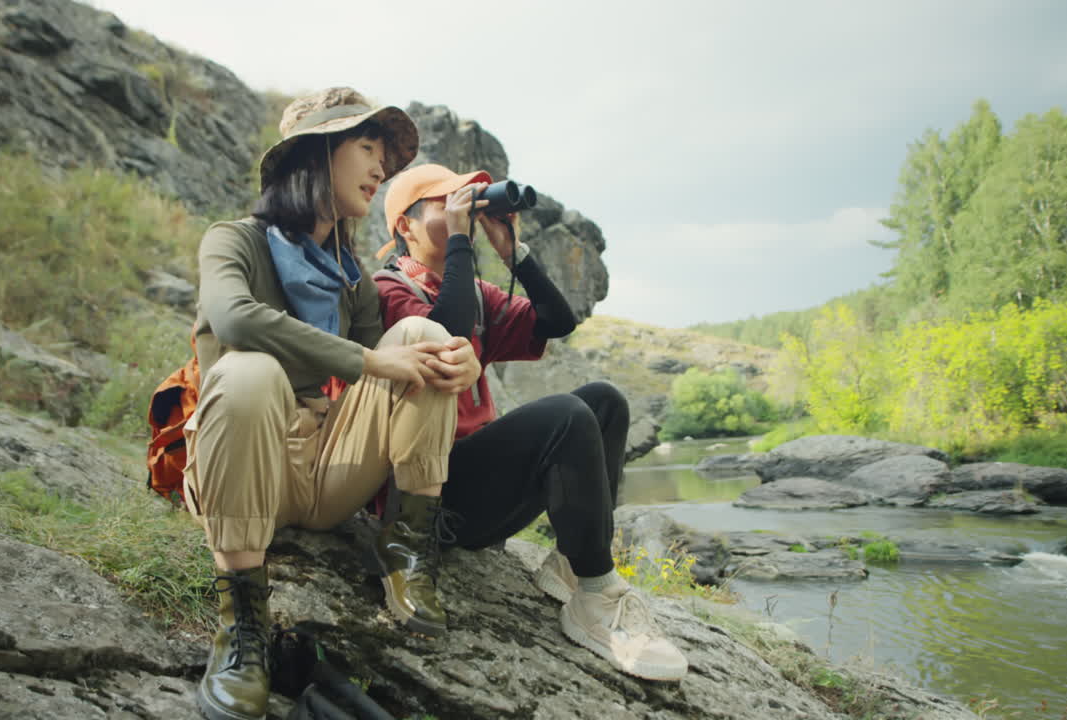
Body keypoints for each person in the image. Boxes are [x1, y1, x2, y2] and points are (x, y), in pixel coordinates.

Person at [183, 88, 481, 720]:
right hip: (244, 463)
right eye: (366, 147)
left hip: (323, 471)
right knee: (249, 372)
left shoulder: (350, 273)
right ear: (314, 154)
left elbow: (402, 366)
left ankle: (405, 549)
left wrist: (459, 361)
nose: (381, 168)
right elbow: (235, 320)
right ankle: (243, 629)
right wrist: (371, 361)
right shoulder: (231, 241)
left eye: (384, 155)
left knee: (425, 339)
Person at [371, 164, 689, 682]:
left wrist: (509, 249)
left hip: (479, 485)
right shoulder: (387, 289)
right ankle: (598, 598)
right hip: (428, 497)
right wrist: (459, 241)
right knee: (564, 415)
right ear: (404, 227)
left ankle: (574, 565)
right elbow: (443, 331)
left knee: (604, 401)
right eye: (443, 203)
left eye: (465, 201)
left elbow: (557, 321)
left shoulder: (473, 290)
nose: (462, 211)